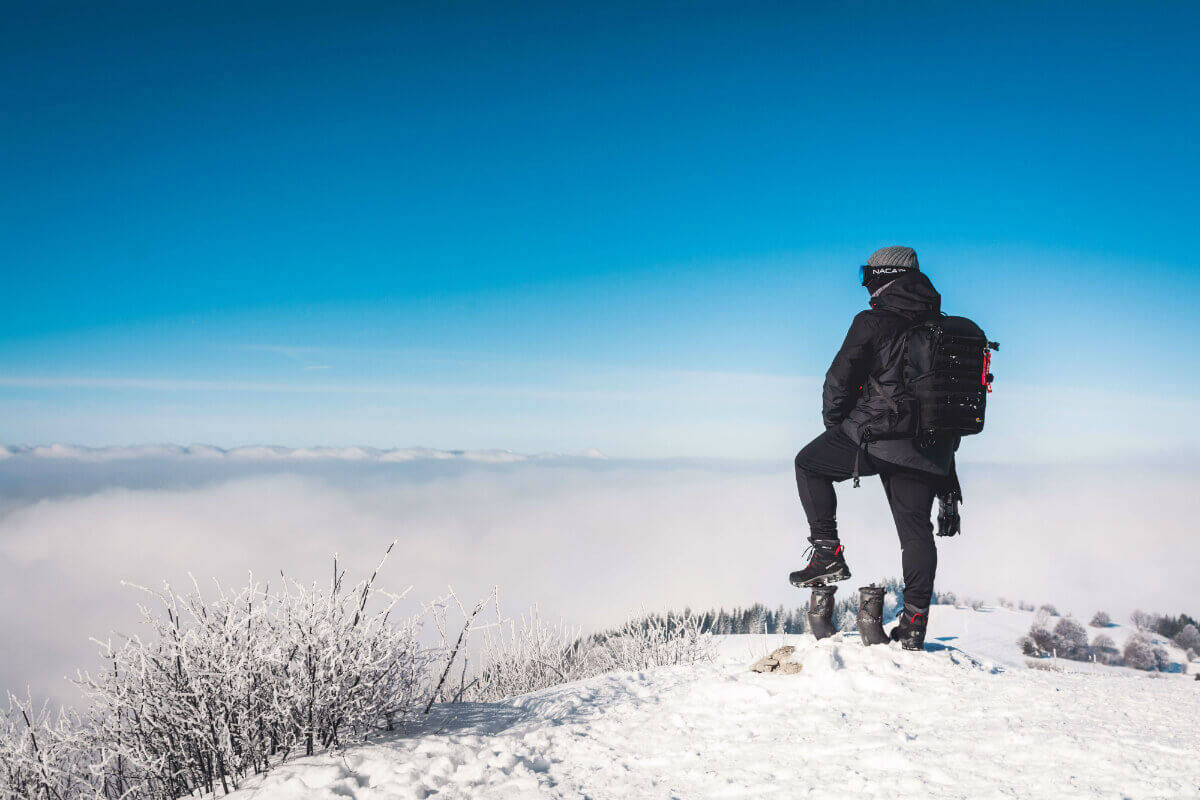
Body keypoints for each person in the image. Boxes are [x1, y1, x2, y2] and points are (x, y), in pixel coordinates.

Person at [790, 246, 956, 651]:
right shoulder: (945, 327)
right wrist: (948, 487)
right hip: (932, 450)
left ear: (884, 277)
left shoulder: (872, 321)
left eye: (869, 277)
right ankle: (914, 624)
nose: (867, 287)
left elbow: (839, 380)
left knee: (809, 463)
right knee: (916, 535)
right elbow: (945, 408)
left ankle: (827, 553)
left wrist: (839, 429)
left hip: (876, 438)